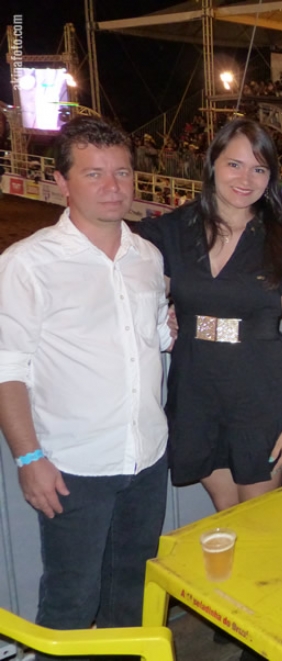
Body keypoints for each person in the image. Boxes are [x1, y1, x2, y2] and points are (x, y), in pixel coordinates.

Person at [0, 117, 171, 658]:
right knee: (70, 603)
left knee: (132, 596)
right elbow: (7, 367)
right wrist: (29, 458)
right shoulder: (27, 264)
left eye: (122, 172)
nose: (112, 186)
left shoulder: (148, 258)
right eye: (94, 174)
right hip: (73, 467)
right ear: (62, 182)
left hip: (147, 459)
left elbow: (154, 336)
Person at [136, 118, 282, 512]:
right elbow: (137, 296)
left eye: (259, 169)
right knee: (226, 513)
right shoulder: (174, 231)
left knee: (258, 520)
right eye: (234, 164)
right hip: (196, 394)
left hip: (260, 395)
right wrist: (163, 317)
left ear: (270, 178)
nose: (245, 179)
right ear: (213, 163)